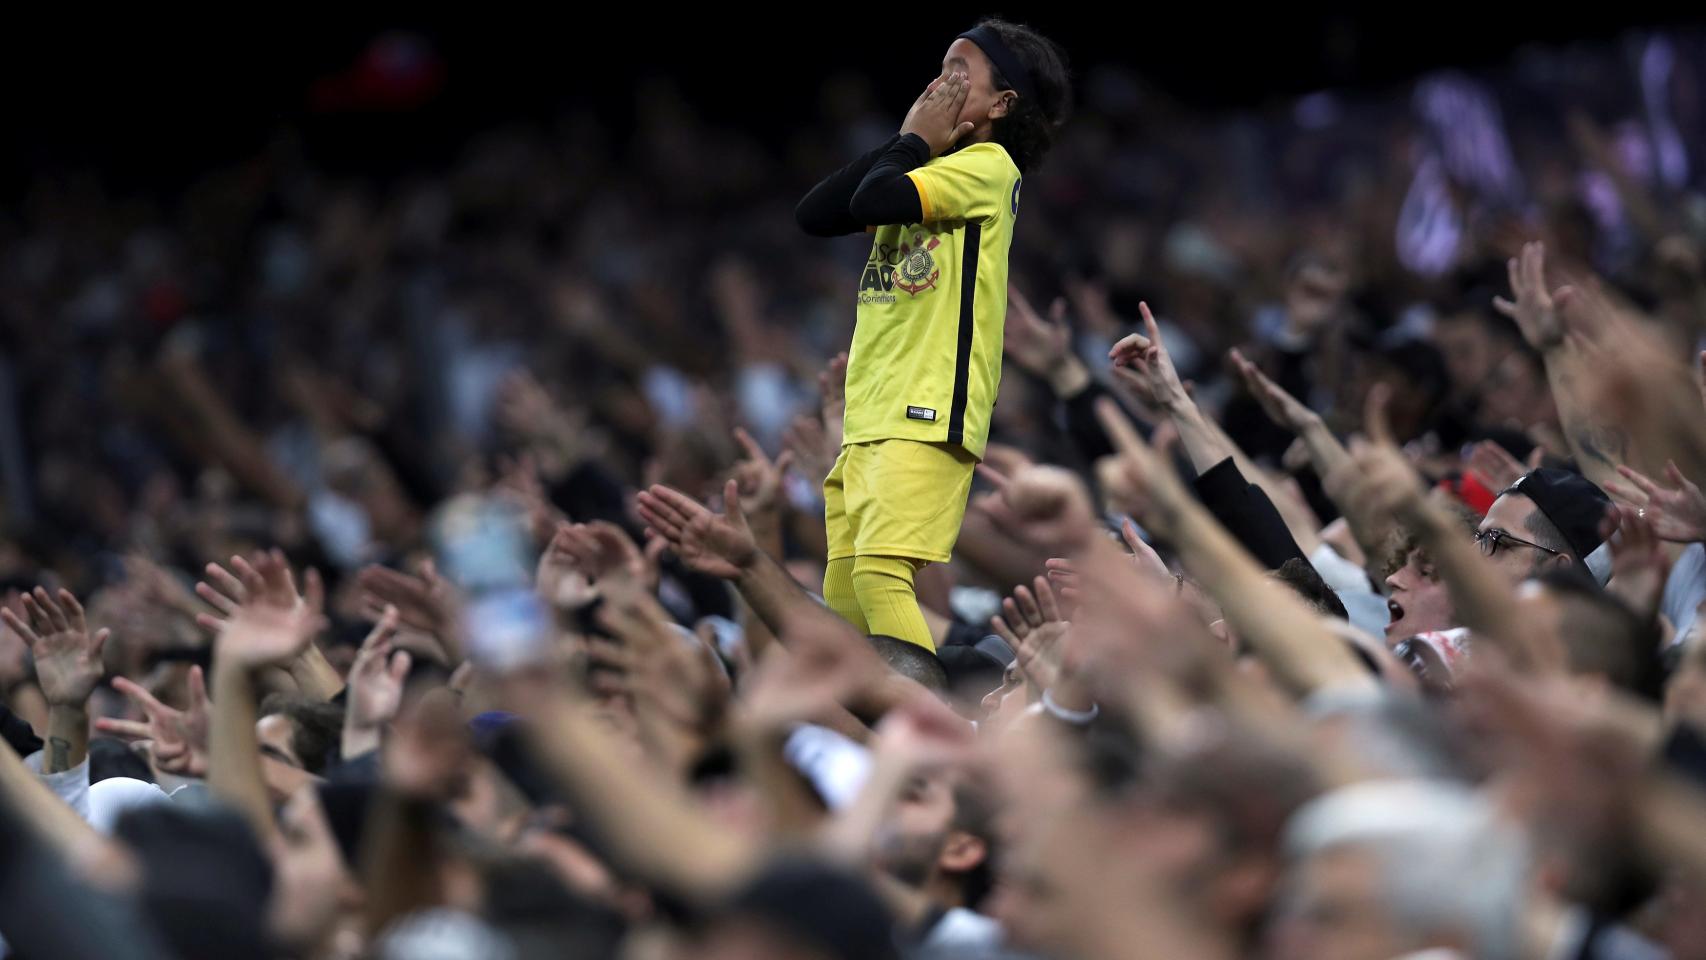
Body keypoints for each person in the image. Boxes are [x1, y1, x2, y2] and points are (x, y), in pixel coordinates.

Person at [795, 18, 1071, 651]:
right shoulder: (925, 167)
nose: (939, 86)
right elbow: (813, 215)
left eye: (959, 74)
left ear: (1002, 104)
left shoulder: (989, 166)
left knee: (883, 577)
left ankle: (944, 731)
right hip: (873, 410)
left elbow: (870, 203)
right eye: (939, 70)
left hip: (927, 405)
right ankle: (873, 733)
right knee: (845, 594)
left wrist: (915, 141)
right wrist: (912, 140)